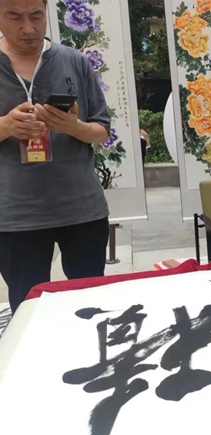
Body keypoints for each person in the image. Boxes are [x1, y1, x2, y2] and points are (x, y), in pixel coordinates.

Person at [0, 0, 111, 312]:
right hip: (16, 215)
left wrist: (73, 126)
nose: (28, 28)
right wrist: (7, 125)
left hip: (82, 209)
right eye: (14, 17)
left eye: (36, 15)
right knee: (28, 307)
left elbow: (102, 130)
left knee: (91, 303)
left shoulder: (74, 61)